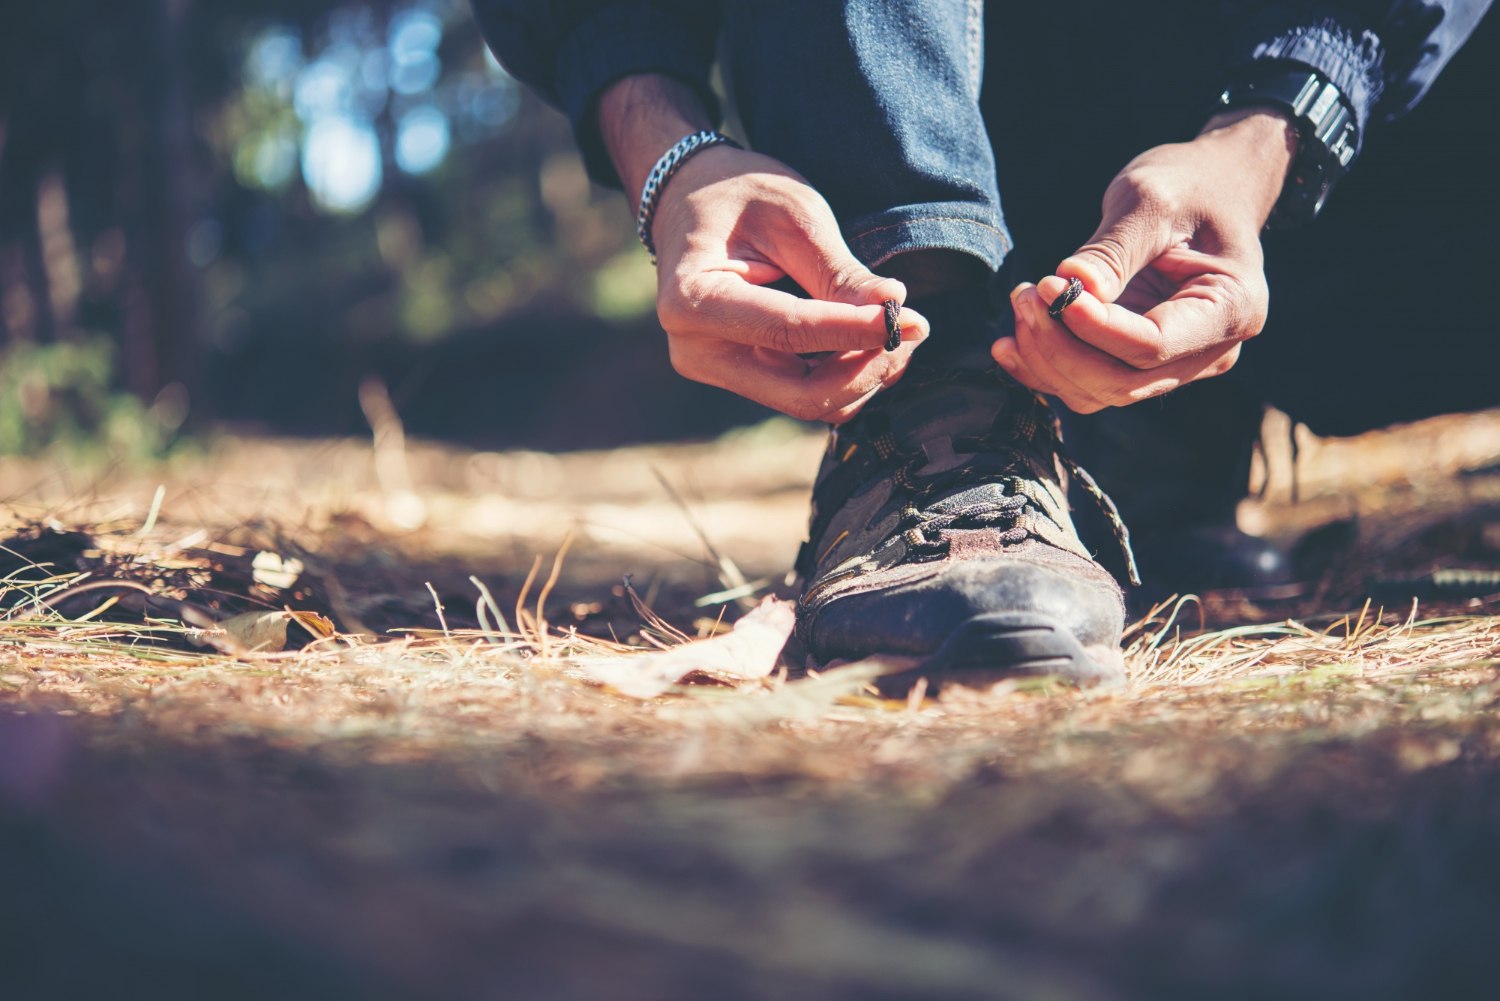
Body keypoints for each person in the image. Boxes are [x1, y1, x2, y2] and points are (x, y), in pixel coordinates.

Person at [471, 1, 1496, 685]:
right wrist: (670, 157)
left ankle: (1166, 435)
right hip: (944, 110)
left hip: (1339, 158)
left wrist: (1276, 132)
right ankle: (941, 394)